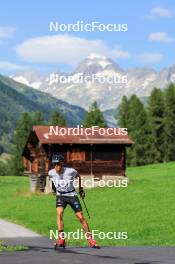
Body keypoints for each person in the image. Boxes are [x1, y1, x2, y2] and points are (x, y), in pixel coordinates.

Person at [48, 153, 99, 248]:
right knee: (59, 213)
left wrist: (81, 189)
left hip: (72, 195)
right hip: (60, 196)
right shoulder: (51, 172)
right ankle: (61, 239)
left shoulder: (70, 171)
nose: (56, 166)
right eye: (54, 164)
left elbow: (79, 177)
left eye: (58, 164)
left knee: (80, 217)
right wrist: (54, 189)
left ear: (62, 164)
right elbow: (52, 180)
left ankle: (90, 239)